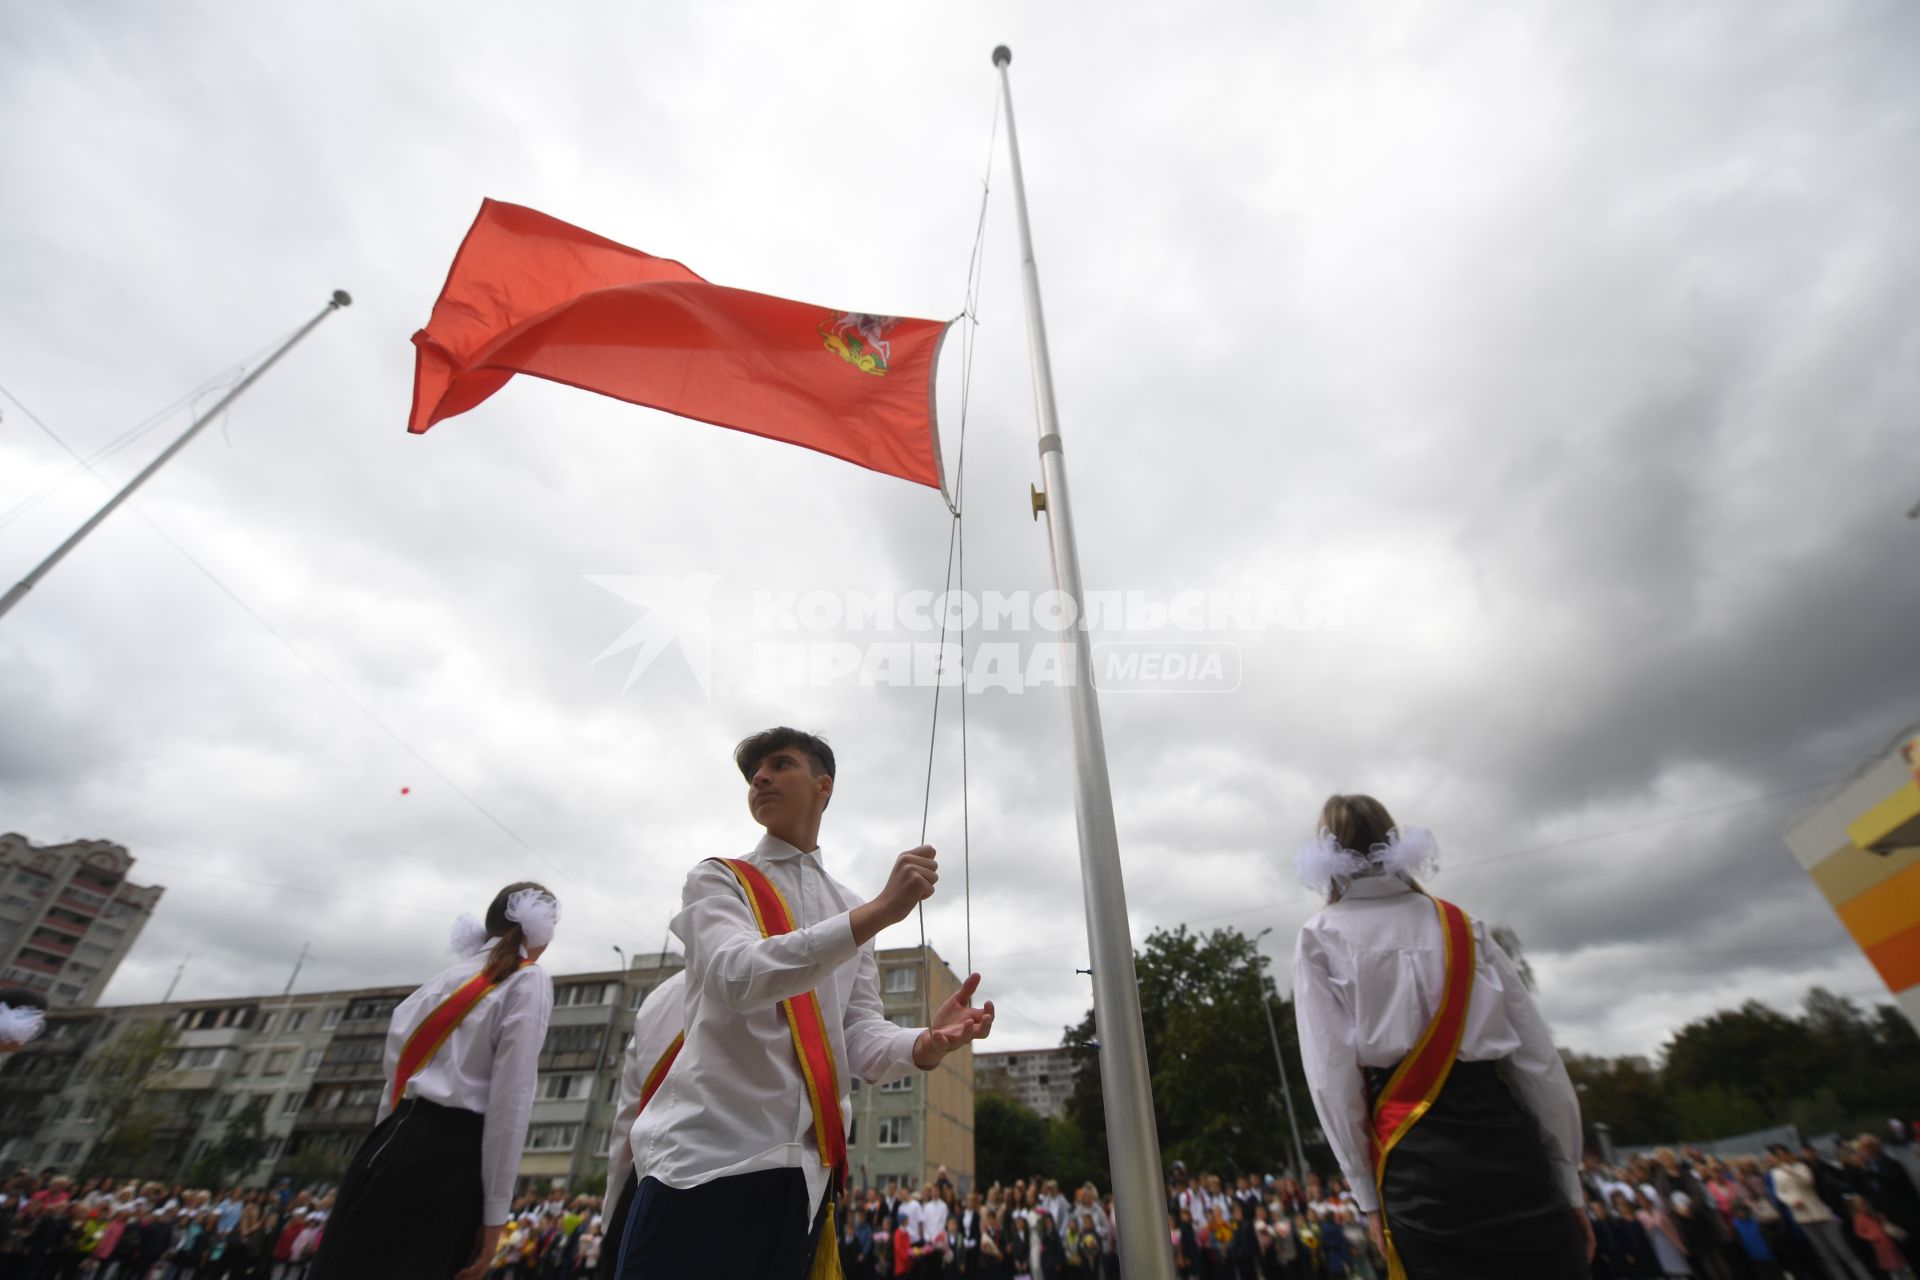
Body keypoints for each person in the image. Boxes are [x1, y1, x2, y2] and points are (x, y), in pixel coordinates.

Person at [621, 728, 994, 1279]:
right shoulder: (718, 880)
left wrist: (922, 1043)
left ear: (825, 786)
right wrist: (880, 913)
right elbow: (738, 976)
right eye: (754, 773)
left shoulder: (848, 907)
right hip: (705, 1164)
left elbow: (859, 1037)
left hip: (807, 1181)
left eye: (780, 764)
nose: (761, 778)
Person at [1292, 794, 1593, 1279]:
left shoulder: (1319, 936)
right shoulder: (1461, 923)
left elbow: (1332, 1080)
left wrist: (1367, 1198)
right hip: (1508, 1146)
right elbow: (1538, 1062)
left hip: (1416, 1162)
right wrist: (1567, 1181)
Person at [308, 881, 559, 1280]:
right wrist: (495, 1215)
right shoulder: (528, 981)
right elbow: (510, 1104)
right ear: (542, 930)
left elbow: (393, 1085)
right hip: (449, 1158)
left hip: (387, 1143)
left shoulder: (441, 982)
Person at [594, 969, 686, 1280]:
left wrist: (612, 1221)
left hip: (646, 1183)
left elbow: (626, 1131)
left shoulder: (657, 1000)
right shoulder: (784, 980)